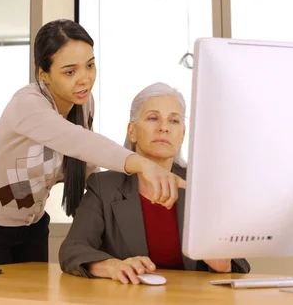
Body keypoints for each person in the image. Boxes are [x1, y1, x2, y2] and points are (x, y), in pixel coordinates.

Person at [0, 19, 186, 269]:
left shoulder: (84, 104)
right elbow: (78, 142)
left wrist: (108, 195)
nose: (84, 79)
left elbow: (86, 163)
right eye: (70, 71)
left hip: (32, 226)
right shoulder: (28, 105)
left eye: (90, 66)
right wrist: (142, 165)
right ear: (44, 74)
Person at [59, 82, 251, 284]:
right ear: (131, 131)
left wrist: (224, 264)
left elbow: (240, 264)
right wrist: (113, 266)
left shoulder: (200, 185)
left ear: (182, 135)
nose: (164, 128)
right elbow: (72, 250)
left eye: (174, 121)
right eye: (153, 118)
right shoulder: (103, 186)